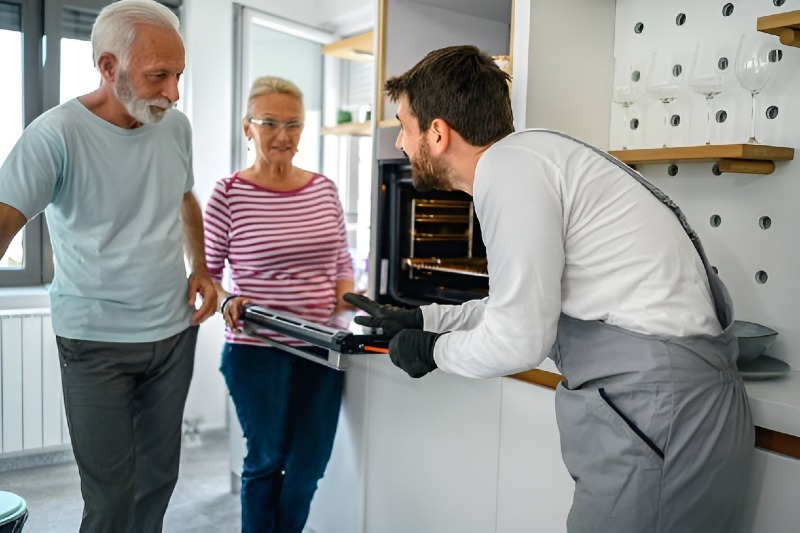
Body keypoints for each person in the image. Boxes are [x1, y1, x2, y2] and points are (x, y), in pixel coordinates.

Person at [345, 45, 753, 533]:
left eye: (403, 126)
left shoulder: (508, 171)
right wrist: (424, 319)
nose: (399, 144)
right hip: (670, 408)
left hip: (662, 412)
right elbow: (519, 304)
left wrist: (435, 351)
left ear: (437, 132)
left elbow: (518, 340)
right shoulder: (529, 157)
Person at [0, 1, 216, 531]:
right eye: (158, 76)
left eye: (179, 75)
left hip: (172, 333)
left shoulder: (176, 127)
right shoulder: (55, 135)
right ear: (107, 67)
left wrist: (202, 268)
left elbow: (185, 197)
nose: (174, 92)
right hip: (95, 344)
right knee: (110, 499)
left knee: (157, 484)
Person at [204, 75, 355, 533]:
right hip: (257, 351)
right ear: (247, 127)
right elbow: (208, 281)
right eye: (270, 123)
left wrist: (348, 313)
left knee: (308, 468)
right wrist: (229, 298)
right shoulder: (228, 193)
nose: (283, 135)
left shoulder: (323, 189)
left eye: (294, 124)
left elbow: (342, 265)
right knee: (266, 460)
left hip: (320, 350)